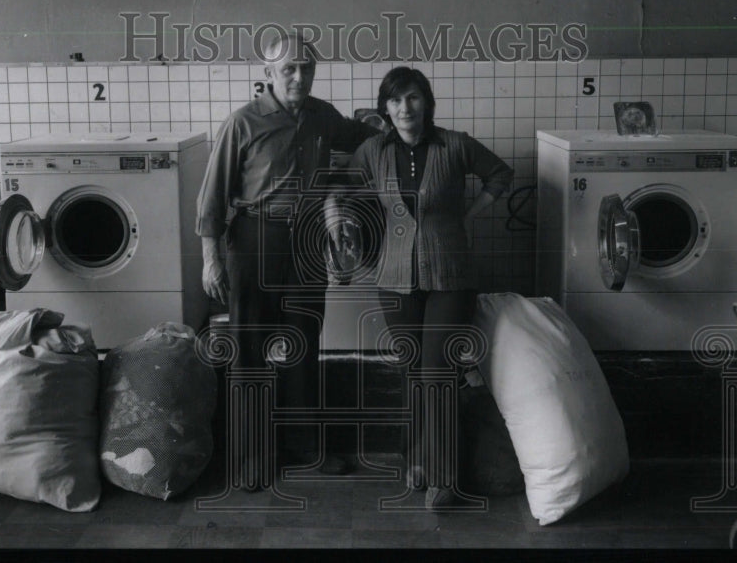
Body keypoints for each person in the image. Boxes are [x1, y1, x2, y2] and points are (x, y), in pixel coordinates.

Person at [196, 31, 379, 491]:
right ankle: (252, 456)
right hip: (255, 238)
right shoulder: (242, 122)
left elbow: (366, 137)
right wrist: (210, 260)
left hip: (307, 242)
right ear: (268, 74)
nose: (300, 76)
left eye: (307, 68)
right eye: (289, 68)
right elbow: (211, 196)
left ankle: (306, 447)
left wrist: (398, 127)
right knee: (250, 350)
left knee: (303, 343)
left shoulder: (323, 116)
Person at [344, 65, 514, 511]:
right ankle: (416, 459)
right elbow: (343, 188)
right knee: (413, 371)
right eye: (396, 100)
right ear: (385, 107)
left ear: (428, 103)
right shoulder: (371, 151)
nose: (405, 109)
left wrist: (468, 216)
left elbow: (500, 175)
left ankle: (445, 478)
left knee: (439, 372)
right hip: (394, 277)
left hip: (450, 276)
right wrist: (344, 222)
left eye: (414, 98)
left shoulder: (455, 144)